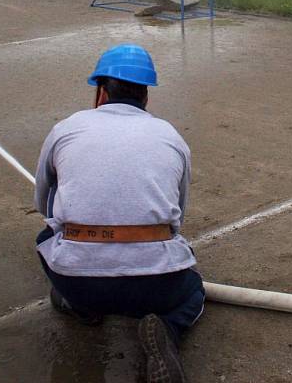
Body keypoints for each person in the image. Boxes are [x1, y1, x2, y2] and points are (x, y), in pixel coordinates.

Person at [34, 43, 203, 383]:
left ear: (101, 92)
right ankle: (166, 329)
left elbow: (43, 205)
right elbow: (176, 220)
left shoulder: (66, 128)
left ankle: (81, 307)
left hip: (77, 280)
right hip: (156, 285)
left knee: (45, 238)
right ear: (146, 96)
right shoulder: (171, 136)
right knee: (194, 291)